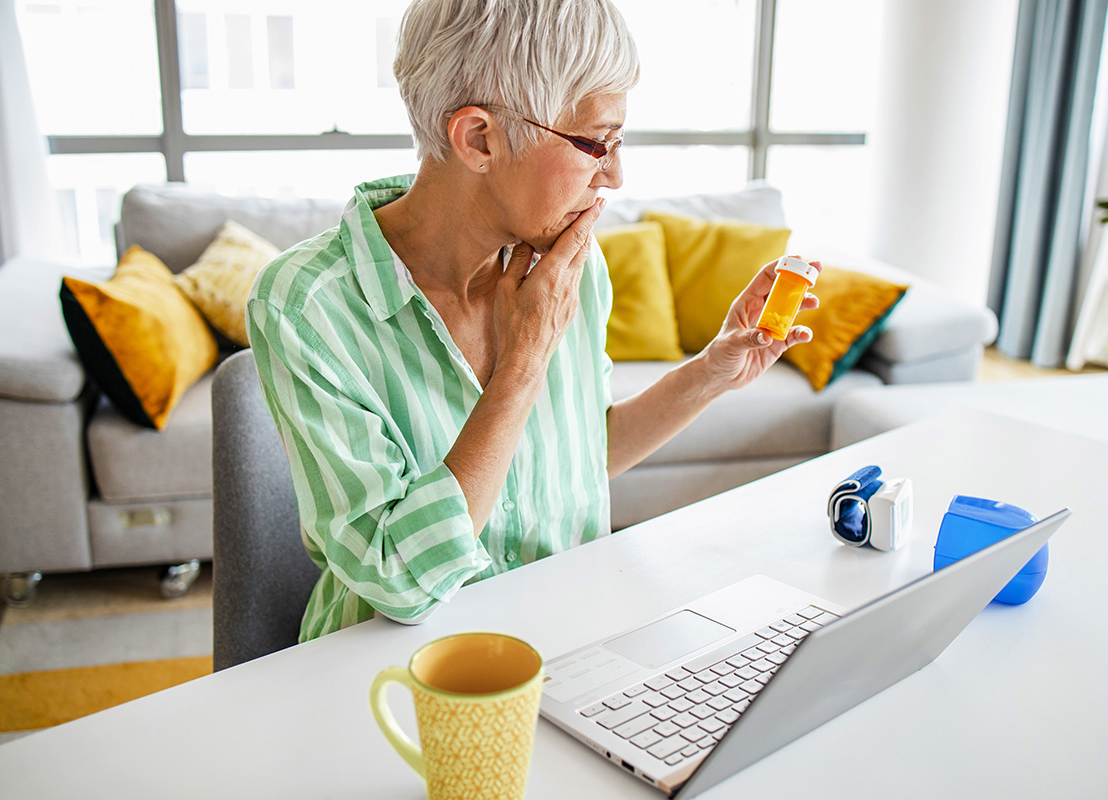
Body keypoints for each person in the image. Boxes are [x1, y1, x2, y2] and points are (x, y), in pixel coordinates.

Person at [247, 0, 820, 641]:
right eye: (595, 143)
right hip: (393, 667)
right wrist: (521, 366)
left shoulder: (573, 266)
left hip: (567, 636)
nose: (616, 174)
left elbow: (575, 461)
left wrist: (712, 372)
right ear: (479, 139)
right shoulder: (307, 304)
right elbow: (396, 581)